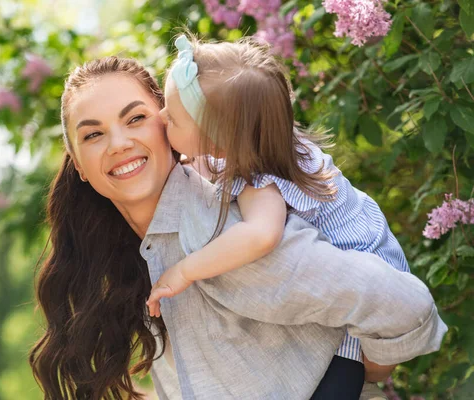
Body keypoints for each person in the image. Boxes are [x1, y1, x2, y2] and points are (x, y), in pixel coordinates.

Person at [29, 56, 447, 400]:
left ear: (168, 124)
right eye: (93, 134)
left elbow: (403, 305)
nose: (118, 143)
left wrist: (365, 370)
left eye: (135, 118)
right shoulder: (146, 254)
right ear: (78, 166)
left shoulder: (221, 228)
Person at [146, 35, 410, 367]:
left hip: (365, 295)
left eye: (172, 119)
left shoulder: (262, 179)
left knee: (332, 377)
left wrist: (185, 271)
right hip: (376, 270)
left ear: (218, 143)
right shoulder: (265, 143)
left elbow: (261, 236)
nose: (159, 118)